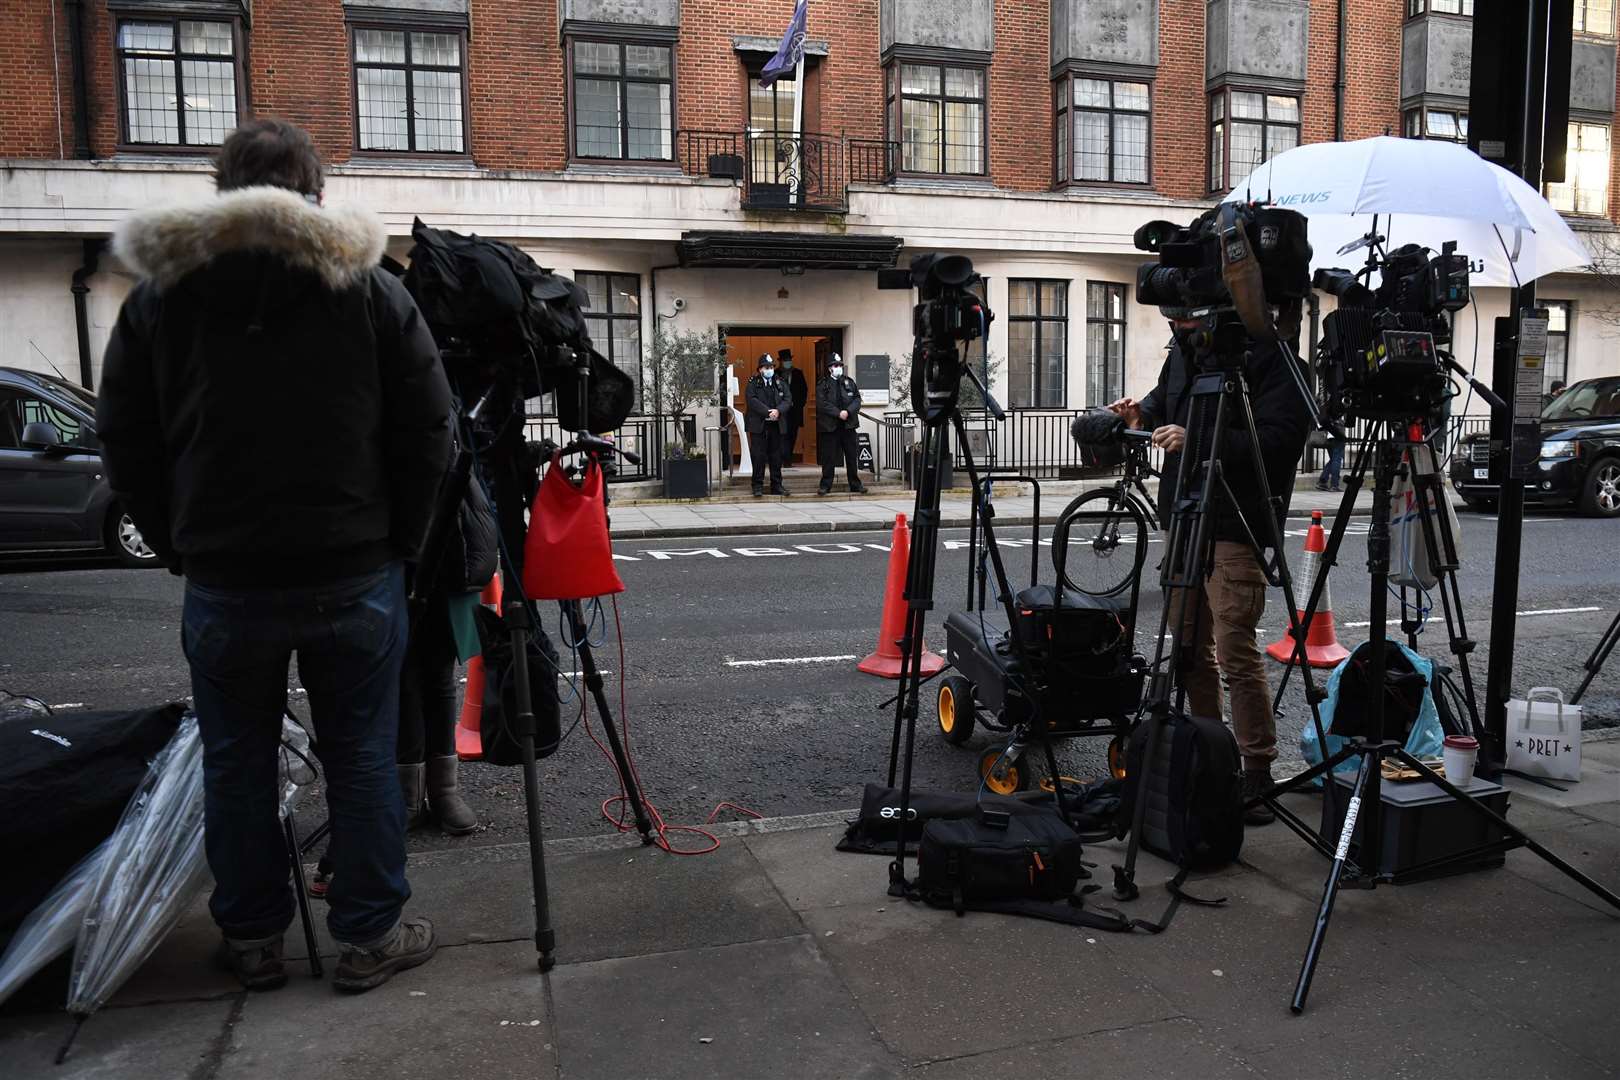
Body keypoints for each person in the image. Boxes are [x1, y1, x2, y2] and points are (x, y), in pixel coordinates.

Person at [97, 118, 451, 993]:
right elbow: (429, 429)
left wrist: (177, 537)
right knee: (362, 754)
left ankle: (253, 938)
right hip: (352, 566)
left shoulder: (162, 294)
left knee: (236, 758)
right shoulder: (367, 287)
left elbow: (125, 437)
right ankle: (368, 936)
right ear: (315, 192)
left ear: (223, 192)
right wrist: (399, 540)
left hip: (225, 575)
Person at [1109, 322, 1310, 826]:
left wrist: (1198, 439)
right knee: (1188, 649)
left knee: (1236, 652)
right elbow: (1163, 401)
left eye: (1188, 317)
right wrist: (1141, 415)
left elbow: (1282, 441)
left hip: (1235, 523)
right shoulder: (1183, 351)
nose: (1179, 326)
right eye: (1173, 319)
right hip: (1183, 515)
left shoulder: (1273, 357)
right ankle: (1209, 753)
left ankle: (1256, 770)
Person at [816, 353, 866, 495]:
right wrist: (838, 413)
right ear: (830, 368)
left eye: (840, 365)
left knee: (851, 456)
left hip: (848, 426)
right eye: (835, 366)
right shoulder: (823, 384)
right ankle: (826, 485)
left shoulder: (849, 382)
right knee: (829, 458)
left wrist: (848, 412)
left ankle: (855, 484)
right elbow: (822, 404)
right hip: (830, 427)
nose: (838, 368)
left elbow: (857, 399)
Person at [745, 353, 794, 496]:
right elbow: (751, 400)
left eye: (771, 367)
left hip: (776, 426)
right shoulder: (753, 383)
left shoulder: (780, 382)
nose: (769, 370)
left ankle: (777, 485)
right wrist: (768, 412)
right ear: (760, 369)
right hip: (759, 426)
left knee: (776, 457)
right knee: (758, 456)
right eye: (766, 367)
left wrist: (778, 411)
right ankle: (757, 486)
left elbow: (788, 399)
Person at [781, 348, 809, 464]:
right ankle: (784, 459)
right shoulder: (777, 373)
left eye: (789, 360)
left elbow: (804, 390)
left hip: (795, 410)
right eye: (785, 360)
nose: (788, 362)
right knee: (783, 435)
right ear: (781, 361)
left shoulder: (798, 373)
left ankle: (789, 457)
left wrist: (799, 404)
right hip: (782, 411)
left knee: (793, 434)